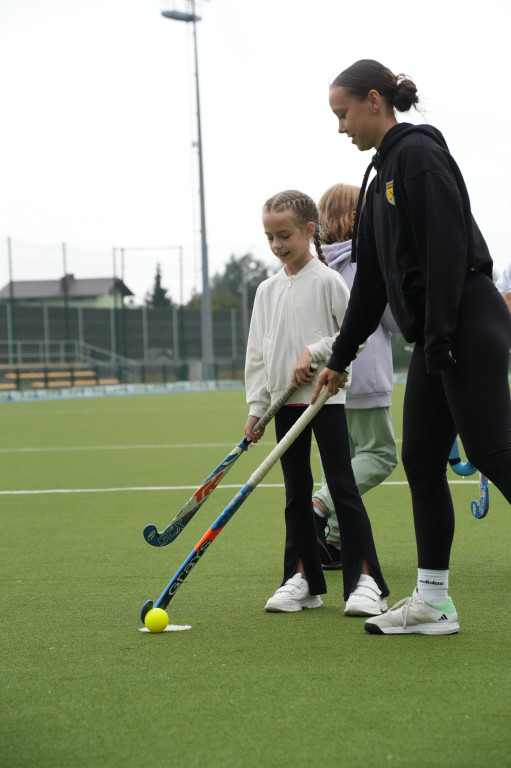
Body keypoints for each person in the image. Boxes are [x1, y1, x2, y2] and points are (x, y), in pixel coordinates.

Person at [312, 59, 511, 635]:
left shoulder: (419, 155)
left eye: (343, 113)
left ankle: (432, 602)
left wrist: (443, 336)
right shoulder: (378, 182)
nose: (340, 126)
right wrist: (339, 359)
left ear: (374, 100)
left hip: (465, 322)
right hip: (437, 336)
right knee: (422, 462)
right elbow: (371, 285)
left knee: (493, 452)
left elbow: (450, 250)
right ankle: (433, 603)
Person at [244, 189, 389, 616]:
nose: (277, 245)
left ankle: (366, 582)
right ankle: (302, 580)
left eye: (284, 235)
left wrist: (316, 351)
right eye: (269, 237)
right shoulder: (266, 291)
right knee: (295, 494)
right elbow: (256, 354)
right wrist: (256, 408)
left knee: (342, 487)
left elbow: (354, 336)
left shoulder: (328, 281)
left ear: (309, 231)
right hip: (283, 406)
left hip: (325, 400)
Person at [311, 183, 399, 569]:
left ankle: (333, 542)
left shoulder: (318, 266)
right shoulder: (366, 263)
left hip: (328, 384)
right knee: (380, 456)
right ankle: (320, 506)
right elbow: (392, 320)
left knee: (346, 462)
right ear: (354, 218)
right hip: (362, 378)